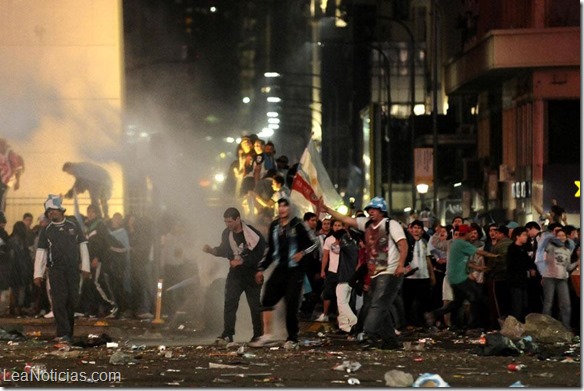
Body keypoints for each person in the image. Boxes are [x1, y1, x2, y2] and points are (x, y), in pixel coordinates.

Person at [321, 196, 408, 350]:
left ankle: (369, 335)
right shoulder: (367, 224)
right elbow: (346, 219)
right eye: (369, 210)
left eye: (374, 210)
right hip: (375, 273)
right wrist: (327, 210)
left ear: (382, 211)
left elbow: (403, 244)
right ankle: (390, 340)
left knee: (377, 305)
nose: (371, 212)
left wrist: (400, 265)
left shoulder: (390, 224)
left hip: (389, 272)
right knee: (378, 306)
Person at [249, 197, 317, 348]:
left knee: (291, 302)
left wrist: (302, 253)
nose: (282, 209)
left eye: (285, 207)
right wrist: (261, 268)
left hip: (295, 270)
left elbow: (313, 244)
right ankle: (267, 335)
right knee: (267, 299)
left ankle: (292, 338)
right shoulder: (274, 226)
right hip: (280, 268)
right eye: (280, 206)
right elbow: (271, 250)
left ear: (290, 209)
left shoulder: (298, 225)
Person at [203, 207, 266, 344]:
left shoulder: (252, 234)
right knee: (230, 302)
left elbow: (261, 254)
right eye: (226, 222)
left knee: (254, 306)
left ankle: (258, 335)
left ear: (238, 219)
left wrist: (245, 262)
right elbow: (225, 250)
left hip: (252, 274)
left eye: (230, 221)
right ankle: (228, 334)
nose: (228, 224)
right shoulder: (227, 233)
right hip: (235, 275)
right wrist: (212, 250)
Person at [33, 195, 90, 343]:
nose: (51, 213)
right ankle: (62, 333)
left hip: (72, 270)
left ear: (61, 210)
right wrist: (37, 274)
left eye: (53, 210)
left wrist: (85, 266)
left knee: (72, 300)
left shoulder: (73, 226)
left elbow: (82, 245)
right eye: (48, 212)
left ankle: (68, 333)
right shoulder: (46, 231)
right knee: (59, 300)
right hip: (55, 270)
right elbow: (41, 252)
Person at [424, 224, 499, 332]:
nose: (472, 234)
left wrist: (478, 268)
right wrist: (494, 256)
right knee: (476, 298)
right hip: (460, 278)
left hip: (455, 278)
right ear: (466, 233)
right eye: (470, 232)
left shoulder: (456, 244)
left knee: (457, 303)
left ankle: (434, 314)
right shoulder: (461, 243)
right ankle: (473, 326)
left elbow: (464, 262)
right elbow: (479, 252)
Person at [506, 226, 536, 323]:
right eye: (524, 235)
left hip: (523, 280)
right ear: (517, 236)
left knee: (524, 304)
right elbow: (513, 265)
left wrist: (532, 268)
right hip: (515, 281)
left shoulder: (523, 248)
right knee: (517, 305)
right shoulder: (512, 249)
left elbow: (528, 262)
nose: (526, 237)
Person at [0, 138, 24, 212]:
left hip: (9, 177)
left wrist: (17, 182)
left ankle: (1, 213)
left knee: (2, 194)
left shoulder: (10, 154)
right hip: (2, 176)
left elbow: (18, 168)